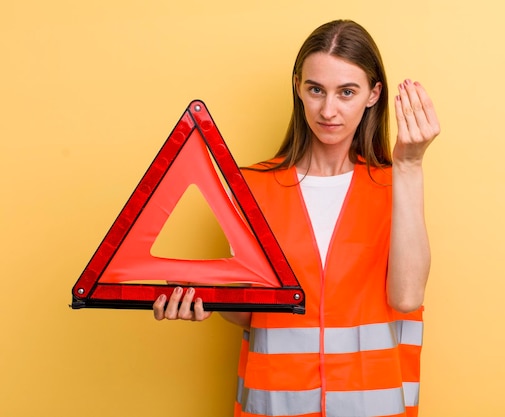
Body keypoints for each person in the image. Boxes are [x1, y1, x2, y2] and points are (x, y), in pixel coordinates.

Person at [153, 19, 440, 417]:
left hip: (372, 407)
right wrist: (206, 298)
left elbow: (407, 298)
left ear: (374, 94)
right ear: (297, 87)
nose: (328, 110)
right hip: (275, 405)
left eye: (347, 92)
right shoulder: (253, 186)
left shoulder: (395, 185)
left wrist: (409, 166)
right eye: (316, 89)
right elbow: (250, 311)